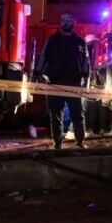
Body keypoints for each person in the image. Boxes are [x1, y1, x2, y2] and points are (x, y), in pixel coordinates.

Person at [35, 13, 90, 150]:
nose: (66, 22)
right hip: (54, 83)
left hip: (74, 84)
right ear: (61, 22)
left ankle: (80, 142)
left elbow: (86, 61)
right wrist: (37, 73)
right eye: (64, 20)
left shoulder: (80, 42)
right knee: (55, 116)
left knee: (77, 114)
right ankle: (57, 143)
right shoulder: (53, 40)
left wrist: (86, 78)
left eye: (69, 20)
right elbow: (43, 57)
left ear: (74, 22)